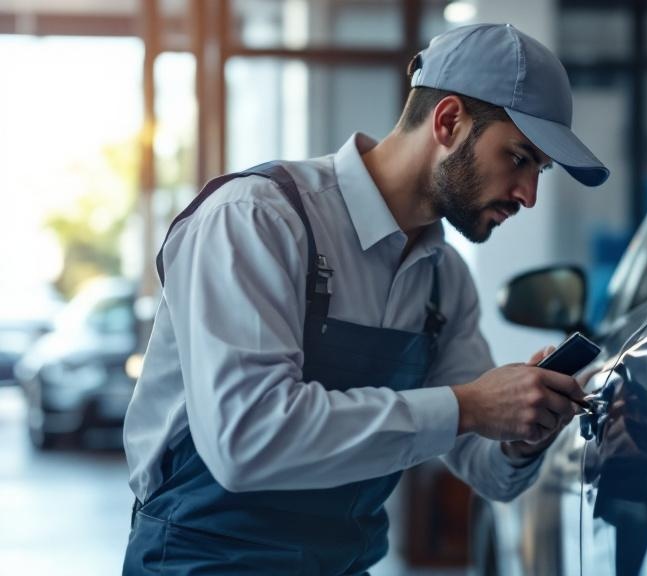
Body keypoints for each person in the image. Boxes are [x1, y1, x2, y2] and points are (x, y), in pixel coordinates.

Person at [121, 23, 608, 575]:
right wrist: (471, 404)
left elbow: (487, 469)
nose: (529, 194)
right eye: (519, 158)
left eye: (539, 170)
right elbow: (246, 439)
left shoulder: (442, 279)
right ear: (448, 122)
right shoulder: (258, 220)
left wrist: (522, 425)